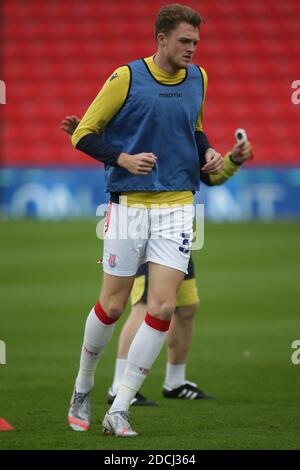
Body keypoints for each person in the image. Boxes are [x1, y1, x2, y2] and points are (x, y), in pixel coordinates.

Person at [67, 3, 225, 437]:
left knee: (163, 307)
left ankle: (119, 407)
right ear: (161, 39)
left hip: (178, 205)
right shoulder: (126, 78)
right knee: (114, 305)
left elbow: (192, 127)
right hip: (129, 206)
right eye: (184, 42)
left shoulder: (200, 78)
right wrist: (122, 158)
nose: (192, 49)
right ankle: (82, 386)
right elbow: (84, 133)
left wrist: (206, 151)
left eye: (196, 42)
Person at [61, 117, 253, 406]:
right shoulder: (149, 125)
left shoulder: (185, 131)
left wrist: (233, 160)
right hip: (141, 219)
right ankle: (118, 385)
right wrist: (91, 137)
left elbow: (210, 176)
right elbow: (120, 154)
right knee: (143, 305)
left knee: (186, 307)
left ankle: (174, 381)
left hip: (175, 225)